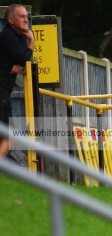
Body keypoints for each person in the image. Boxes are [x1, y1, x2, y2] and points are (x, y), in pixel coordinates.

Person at [0, 4, 35, 158]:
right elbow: (22, 58)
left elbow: (21, 60)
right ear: (11, 20)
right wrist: (32, 42)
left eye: (27, 16)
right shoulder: (8, 36)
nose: (26, 19)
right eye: (22, 16)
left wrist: (19, 66)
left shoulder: (18, 37)